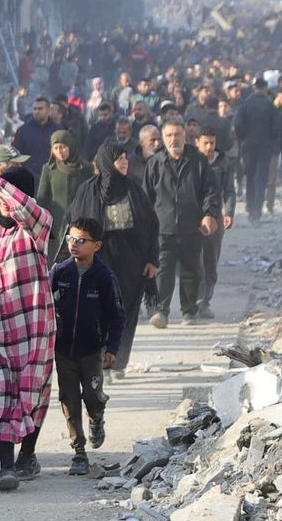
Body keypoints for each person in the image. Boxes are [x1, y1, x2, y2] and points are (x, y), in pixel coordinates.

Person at [0, 167, 55, 492]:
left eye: (11, 194)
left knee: (33, 393)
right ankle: (5, 467)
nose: (5, 201)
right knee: (2, 392)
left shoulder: (38, 225)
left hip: (34, 325)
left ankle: (28, 455)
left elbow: (24, 206)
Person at [65, 142, 158, 377]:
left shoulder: (134, 190)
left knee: (125, 311)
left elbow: (151, 225)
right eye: (119, 159)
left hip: (130, 262)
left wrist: (151, 259)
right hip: (99, 258)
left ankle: (118, 361)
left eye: (126, 158)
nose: (125, 163)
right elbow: (76, 223)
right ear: (107, 162)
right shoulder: (88, 190)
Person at [50, 216, 125, 476]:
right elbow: (45, 305)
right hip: (63, 352)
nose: (74, 245)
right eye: (71, 239)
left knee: (92, 396)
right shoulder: (60, 273)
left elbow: (117, 316)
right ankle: (78, 451)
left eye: (81, 241)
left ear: (97, 245)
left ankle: (97, 418)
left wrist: (112, 348)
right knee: (69, 401)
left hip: (92, 352)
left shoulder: (104, 277)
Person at [143, 122, 220, 327]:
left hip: (191, 226)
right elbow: (147, 197)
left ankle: (189, 311)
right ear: (163, 136)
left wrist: (209, 214)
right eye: (168, 135)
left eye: (177, 134)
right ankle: (161, 311)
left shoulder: (198, 161)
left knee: (191, 270)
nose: (173, 139)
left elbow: (211, 192)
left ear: (185, 135)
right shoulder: (155, 162)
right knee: (164, 270)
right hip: (163, 227)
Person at [192, 129, 235, 315]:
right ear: (197, 142)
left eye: (212, 143)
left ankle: (204, 302)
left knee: (210, 260)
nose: (209, 147)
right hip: (192, 217)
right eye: (206, 143)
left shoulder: (223, 163)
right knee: (192, 261)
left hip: (215, 217)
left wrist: (229, 212)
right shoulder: (190, 162)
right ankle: (191, 301)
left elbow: (230, 190)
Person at [233, 79, 282, 222]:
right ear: (266, 88)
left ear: (254, 88)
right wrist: (271, 140)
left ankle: (250, 208)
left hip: (248, 147)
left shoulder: (245, 105)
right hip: (265, 147)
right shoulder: (270, 106)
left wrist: (243, 139)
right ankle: (257, 211)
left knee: (250, 178)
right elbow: (277, 127)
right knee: (261, 179)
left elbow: (237, 124)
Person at [36, 129, 92, 248]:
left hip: (79, 221)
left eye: (63, 147)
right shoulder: (49, 169)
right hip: (55, 223)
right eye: (55, 148)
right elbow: (42, 198)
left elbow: (91, 196)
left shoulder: (85, 168)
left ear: (70, 146)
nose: (59, 151)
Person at [12, 97, 55, 172]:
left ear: (48, 110)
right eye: (34, 109)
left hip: (52, 174)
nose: (36, 111)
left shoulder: (57, 130)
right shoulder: (23, 131)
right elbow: (15, 154)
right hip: (29, 176)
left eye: (40, 109)